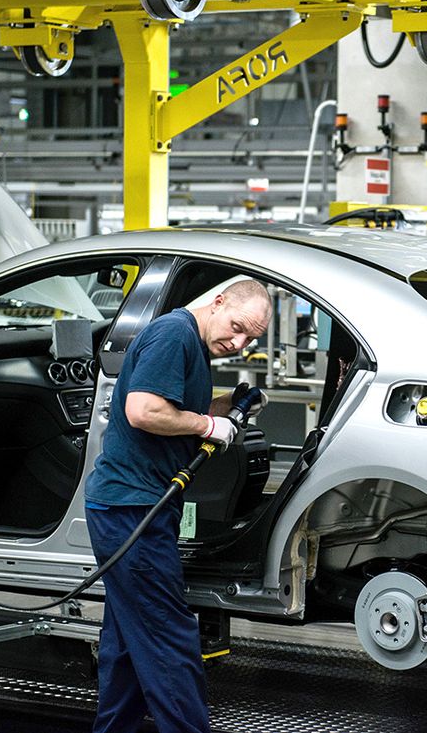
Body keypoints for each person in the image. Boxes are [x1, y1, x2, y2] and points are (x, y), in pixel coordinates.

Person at [84, 279, 272, 733]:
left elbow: (172, 401)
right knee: (170, 639)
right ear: (219, 301)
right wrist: (209, 425)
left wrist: (225, 405)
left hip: (136, 507)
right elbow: (144, 410)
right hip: (132, 511)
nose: (240, 343)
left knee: (128, 642)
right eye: (238, 327)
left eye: (252, 339)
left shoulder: (191, 341)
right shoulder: (175, 334)